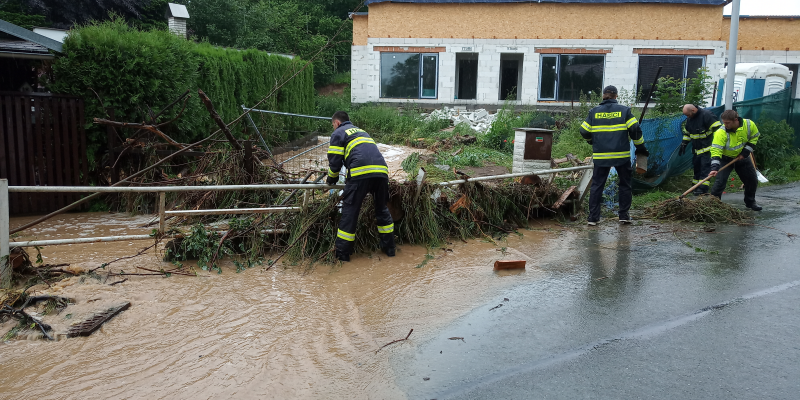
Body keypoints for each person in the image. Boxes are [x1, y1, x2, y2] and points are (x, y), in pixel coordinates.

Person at [326, 111, 395, 261]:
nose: (333, 128)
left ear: (337, 123)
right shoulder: (362, 132)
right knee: (382, 209)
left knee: (350, 212)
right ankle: (389, 249)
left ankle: (342, 255)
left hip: (359, 174)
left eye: (333, 125)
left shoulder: (338, 132)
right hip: (382, 172)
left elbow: (335, 161)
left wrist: (330, 180)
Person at [579, 85, 649, 226]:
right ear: (616, 96)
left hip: (601, 156)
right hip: (621, 156)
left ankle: (593, 218)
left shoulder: (594, 112)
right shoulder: (624, 111)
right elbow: (635, 129)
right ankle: (623, 216)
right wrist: (640, 147)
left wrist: (591, 141)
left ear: (603, 95)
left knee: (597, 185)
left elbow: (584, 131)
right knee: (624, 184)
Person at [707, 109, 762, 211]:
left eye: (727, 123)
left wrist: (745, 152)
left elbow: (754, 137)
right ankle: (714, 205)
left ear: (736, 120)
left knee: (752, 180)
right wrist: (715, 167)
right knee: (720, 182)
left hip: (742, 157)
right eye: (724, 122)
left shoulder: (749, 125)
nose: (725, 125)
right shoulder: (721, 132)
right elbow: (716, 150)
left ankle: (750, 202)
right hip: (725, 159)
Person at [679, 104, 722, 195]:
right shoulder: (690, 119)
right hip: (697, 150)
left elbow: (719, 131)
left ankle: (702, 189)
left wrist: (717, 146)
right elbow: (687, 133)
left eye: (688, 114)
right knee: (697, 169)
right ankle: (695, 187)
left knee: (705, 169)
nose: (687, 117)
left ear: (693, 110)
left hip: (708, 149)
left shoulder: (707, 115)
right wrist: (684, 143)